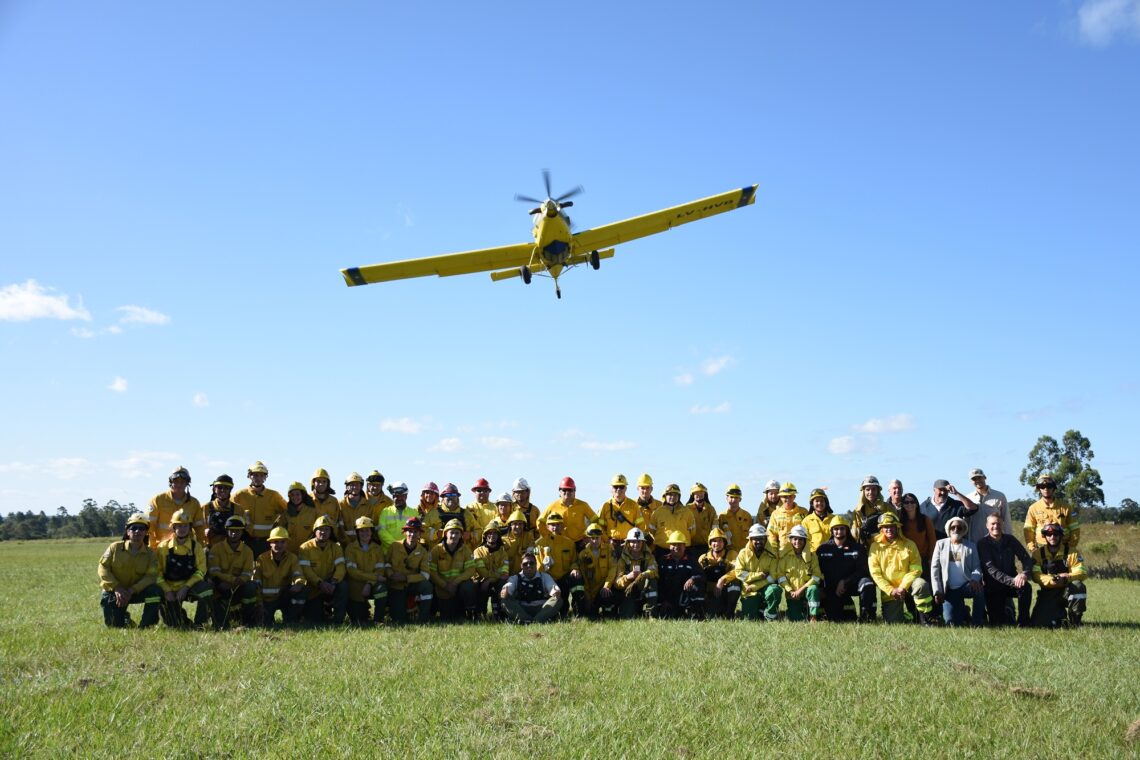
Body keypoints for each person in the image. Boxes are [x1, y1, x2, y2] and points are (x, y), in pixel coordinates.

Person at [868, 513, 934, 624]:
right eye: (886, 527)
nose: (889, 529)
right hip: (891, 591)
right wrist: (890, 590)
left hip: (909, 586)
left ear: (897, 527)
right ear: (881, 529)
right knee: (894, 623)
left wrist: (903, 587)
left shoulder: (909, 544)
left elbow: (916, 569)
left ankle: (926, 619)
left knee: (921, 585)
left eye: (892, 526)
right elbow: (875, 574)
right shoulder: (875, 547)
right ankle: (912, 616)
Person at [98, 512, 161, 628]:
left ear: (146, 533)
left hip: (136, 591)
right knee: (115, 627)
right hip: (115, 591)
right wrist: (117, 588)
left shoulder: (150, 554)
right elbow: (103, 568)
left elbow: (151, 576)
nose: (137, 531)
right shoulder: (115, 548)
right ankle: (125, 619)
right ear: (127, 531)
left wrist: (132, 590)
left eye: (141, 529)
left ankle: (147, 625)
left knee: (155, 591)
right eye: (134, 528)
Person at [156, 508, 213, 627]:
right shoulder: (163, 547)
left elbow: (201, 571)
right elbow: (157, 573)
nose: (182, 529)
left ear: (190, 528)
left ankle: (200, 623)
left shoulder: (196, 547)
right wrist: (167, 590)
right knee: (174, 624)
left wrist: (186, 587)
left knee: (207, 589)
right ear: (173, 527)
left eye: (185, 526)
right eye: (179, 526)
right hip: (170, 589)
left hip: (189, 586)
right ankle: (183, 620)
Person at [815, 515, 876, 622]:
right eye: (836, 529)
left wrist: (846, 581)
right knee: (836, 619)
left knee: (867, 583)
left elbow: (863, 571)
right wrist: (820, 588)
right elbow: (816, 570)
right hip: (830, 589)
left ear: (847, 530)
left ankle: (866, 617)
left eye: (842, 528)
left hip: (851, 585)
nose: (839, 531)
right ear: (832, 531)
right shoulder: (823, 549)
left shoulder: (858, 548)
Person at [976, 513, 1033, 627]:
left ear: (1003, 524)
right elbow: (991, 570)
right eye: (993, 524)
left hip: (1013, 582)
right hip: (993, 586)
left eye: (998, 523)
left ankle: (1023, 622)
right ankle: (1007, 612)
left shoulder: (1010, 539)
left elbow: (1026, 559)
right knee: (997, 624)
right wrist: (1012, 580)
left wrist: (1024, 574)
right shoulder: (982, 543)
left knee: (1026, 587)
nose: (996, 526)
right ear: (987, 525)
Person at [931, 516, 985, 627]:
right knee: (951, 623)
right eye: (953, 527)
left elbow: (977, 567)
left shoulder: (971, 546)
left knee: (979, 590)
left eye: (959, 528)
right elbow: (935, 568)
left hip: (967, 586)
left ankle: (977, 623)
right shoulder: (940, 544)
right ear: (949, 530)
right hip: (949, 589)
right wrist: (937, 591)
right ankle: (964, 611)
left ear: (964, 530)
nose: (956, 530)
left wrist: (975, 579)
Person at [1031, 522, 1087, 628]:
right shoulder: (1037, 554)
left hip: (1067, 591)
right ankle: (1060, 617)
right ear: (1044, 536)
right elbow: (1035, 575)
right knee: (1039, 624)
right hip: (1048, 592)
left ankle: (1075, 621)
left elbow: (1082, 572)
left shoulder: (1072, 552)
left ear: (1061, 535)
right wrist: (1052, 580)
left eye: (1056, 534)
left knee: (1078, 586)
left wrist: (1067, 578)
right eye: (1049, 534)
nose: (1052, 537)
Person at [720, 524, 781, 621]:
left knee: (775, 590)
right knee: (750, 619)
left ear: (766, 539)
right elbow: (739, 573)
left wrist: (755, 586)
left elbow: (772, 577)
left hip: (764, 587)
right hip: (748, 590)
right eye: (755, 539)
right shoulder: (743, 553)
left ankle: (770, 615)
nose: (758, 541)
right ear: (750, 540)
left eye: (761, 538)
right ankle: (758, 609)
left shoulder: (772, 554)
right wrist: (759, 575)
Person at [206, 515, 257, 628]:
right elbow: (214, 572)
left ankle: (248, 620)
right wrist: (230, 581)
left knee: (251, 587)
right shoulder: (216, 549)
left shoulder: (248, 551)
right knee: (221, 626)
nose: (234, 534)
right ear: (226, 531)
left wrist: (233, 582)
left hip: (238, 586)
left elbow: (248, 573)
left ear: (242, 532)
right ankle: (212, 617)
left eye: (238, 531)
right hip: (220, 587)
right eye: (231, 531)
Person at [298, 514, 347, 626]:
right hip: (313, 588)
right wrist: (320, 583)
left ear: (331, 532)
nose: (323, 532)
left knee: (343, 586)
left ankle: (338, 621)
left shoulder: (336, 547)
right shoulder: (304, 548)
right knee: (315, 619)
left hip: (331, 585)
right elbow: (306, 570)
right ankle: (322, 611)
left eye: (326, 529)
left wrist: (334, 582)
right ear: (314, 531)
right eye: (320, 529)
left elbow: (341, 567)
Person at [233, 460, 287, 558]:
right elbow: (227, 509)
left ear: (265, 477)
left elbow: (288, 512)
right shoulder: (240, 495)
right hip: (245, 541)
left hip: (266, 542)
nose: (258, 478)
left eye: (262, 475)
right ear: (249, 476)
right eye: (255, 475)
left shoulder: (274, 496)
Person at [254, 526, 306, 627]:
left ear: (287, 543)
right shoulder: (262, 559)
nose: (279, 545)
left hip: (284, 597)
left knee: (303, 590)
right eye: (276, 542)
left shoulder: (292, 558)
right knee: (265, 624)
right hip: (267, 601)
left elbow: (298, 574)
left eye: (282, 542)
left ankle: (291, 619)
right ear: (270, 543)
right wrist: (259, 604)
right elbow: (256, 583)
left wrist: (299, 583)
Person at [428, 518, 479, 621]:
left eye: (457, 533)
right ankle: (431, 613)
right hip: (442, 588)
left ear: (461, 535)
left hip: (458, 587)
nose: (454, 536)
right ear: (446, 534)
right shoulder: (436, 550)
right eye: (451, 533)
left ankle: (470, 613)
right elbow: (432, 572)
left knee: (469, 586)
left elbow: (471, 570)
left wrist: (455, 583)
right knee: (446, 617)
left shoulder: (465, 550)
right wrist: (445, 585)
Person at [385, 517, 433, 625]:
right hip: (396, 585)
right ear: (405, 532)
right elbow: (386, 564)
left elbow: (425, 574)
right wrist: (391, 574)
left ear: (419, 534)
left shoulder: (423, 551)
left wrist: (407, 578)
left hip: (412, 585)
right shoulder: (394, 546)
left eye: (415, 532)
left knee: (427, 586)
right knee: (399, 620)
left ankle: (423, 620)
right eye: (410, 531)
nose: (412, 534)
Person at [147, 466, 205, 548]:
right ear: (170, 482)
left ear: (187, 483)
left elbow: (199, 529)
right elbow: (150, 526)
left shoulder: (194, 503)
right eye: (176, 481)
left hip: (186, 549)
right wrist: (152, 547)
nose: (179, 484)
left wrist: (199, 548)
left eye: (182, 481)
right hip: (161, 548)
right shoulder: (158, 500)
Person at [344, 516, 387, 626]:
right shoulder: (350, 548)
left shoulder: (378, 549)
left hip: (372, 585)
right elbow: (352, 571)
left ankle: (378, 620)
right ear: (357, 533)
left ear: (372, 532)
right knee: (359, 620)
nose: (364, 533)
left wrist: (369, 583)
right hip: (356, 587)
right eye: (361, 531)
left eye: (367, 530)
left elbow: (380, 570)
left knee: (381, 588)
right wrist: (374, 578)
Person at [501, 550, 562, 624]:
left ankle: (535, 621)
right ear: (521, 566)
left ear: (536, 565)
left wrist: (555, 592)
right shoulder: (515, 578)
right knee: (505, 600)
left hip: (542, 608)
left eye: (531, 563)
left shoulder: (544, 576)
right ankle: (527, 620)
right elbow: (509, 586)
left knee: (558, 599)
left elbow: (552, 586)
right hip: (522, 609)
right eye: (525, 564)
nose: (528, 565)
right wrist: (505, 592)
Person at [569, 523, 616, 619]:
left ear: (601, 537)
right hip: (590, 591)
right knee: (590, 613)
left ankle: (608, 615)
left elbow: (613, 568)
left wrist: (607, 586)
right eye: (592, 538)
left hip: (603, 588)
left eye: (597, 538)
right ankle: (580, 612)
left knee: (608, 594)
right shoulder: (583, 554)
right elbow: (585, 578)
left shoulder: (609, 549)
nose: (594, 541)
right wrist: (588, 598)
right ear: (588, 538)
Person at [1024, 474, 1081, 552]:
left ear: (1054, 488)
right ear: (1039, 489)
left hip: (1063, 548)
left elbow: (1075, 529)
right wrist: (1033, 549)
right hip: (1041, 549)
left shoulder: (1066, 507)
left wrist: (1070, 548)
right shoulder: (1033, 508)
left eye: (1049, 486)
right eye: (1042, 487)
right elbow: (1028, 531)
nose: (1046, 489)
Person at [611, 527, 659, 618]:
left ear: (643, 543)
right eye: (633, 542)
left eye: (638, 542)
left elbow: (654, 570)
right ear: (628, 543)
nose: (636, 544)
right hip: (629, 592)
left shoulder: (649, 556)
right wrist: (628, 577)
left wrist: (643, 574)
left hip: (644, 590)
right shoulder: (622, 559)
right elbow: (617, 583)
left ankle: (651, 613)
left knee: (652, 581)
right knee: (627, 616)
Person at [777, 525, 821, 621]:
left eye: (801, 539)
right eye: (795, 539)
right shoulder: (785, 557)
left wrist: (801, 590)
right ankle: (802, 611)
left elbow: (817, 576)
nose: (797, 542)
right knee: (796, 619)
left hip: (806, 591)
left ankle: (813, 617)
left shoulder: (812, 556)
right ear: (791, 540)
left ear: (805, 541)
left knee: (813, 589)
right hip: (792, 594)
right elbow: (780, 576)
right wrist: (790, 590)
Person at [656, 531, 705, 619]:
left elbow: (701, 575)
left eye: (680, 544)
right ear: (669, 546)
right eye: (674, 544)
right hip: (668, 597)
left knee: (697, 585)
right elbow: (659, 582)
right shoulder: (663, 561)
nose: (676, 547)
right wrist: (663, 601)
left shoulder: (691, 560)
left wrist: (693, 579)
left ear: (685, 546)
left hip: (685, 595)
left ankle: (695, 612)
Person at [534, 512, 577, 605]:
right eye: (552, 525)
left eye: (558, 524)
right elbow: (538, 564)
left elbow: (574, 561)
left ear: (562, 526)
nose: (555, 527)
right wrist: (548, 578)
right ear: (547, 526)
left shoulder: (570, 543)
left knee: (563, 605)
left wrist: (574, 569)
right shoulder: (539, 543)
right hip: (547, 578)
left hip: (564, 578)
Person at [540, 476, 597, 546]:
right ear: (560, 491)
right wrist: (548, 536)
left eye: (570, 490)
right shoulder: (552, 506)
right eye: (564, 490)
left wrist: (588, 536)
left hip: (580, 544)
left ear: (574, 491)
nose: (567, 492)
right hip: (560, 543)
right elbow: (540, 522)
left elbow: (595, 520)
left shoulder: (583, 505)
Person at [472, 518, 511, 619]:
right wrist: (488, 579)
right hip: (481, 581)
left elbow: (505, 572)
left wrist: (490, 579)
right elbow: (481, 570)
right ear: (484, 536)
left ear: (498, 536)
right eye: (489, 533)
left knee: (504, 584)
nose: (492, 536)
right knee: (475, 586)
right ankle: (479, 613)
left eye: (495, 533)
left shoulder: (503, 553)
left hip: (494, 581)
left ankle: (501, 612)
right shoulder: (478, 551)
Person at [649, 483, 696, 564]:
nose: (672, 497)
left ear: (679, 497)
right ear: (665, 496)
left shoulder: (687, 512)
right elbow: (651, 531)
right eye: (670, 495)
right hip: (662, 551)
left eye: (675, 495)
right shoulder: (657, 512)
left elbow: (693, 532)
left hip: (682, 551)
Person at [599, 474, 648, 553]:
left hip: (628, 546)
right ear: (611, 489)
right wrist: (607, 541)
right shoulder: (606, 506)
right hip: (610, 546)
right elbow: (600, 527)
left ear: (625, 488)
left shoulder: (633, 505)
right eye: (615, 487)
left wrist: (633, 541)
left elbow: (640, 526)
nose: (618, 489)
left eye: (621, 487)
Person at [700, 527, 740, 619]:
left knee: (736, 583)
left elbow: (737, 570)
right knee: (712, 615)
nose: (717, 544)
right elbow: (698, 575)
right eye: (714, 541)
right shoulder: (703, 558)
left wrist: (722, 579)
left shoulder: (732, 554)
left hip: (725, 589)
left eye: (720, 541)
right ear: (710, 543)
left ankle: (730, 613)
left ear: (724, 543)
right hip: (711, 591)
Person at [966, 468, 1012, 544]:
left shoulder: (999, 496)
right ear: (971, 481)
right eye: (974, 479)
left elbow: (1006, 519)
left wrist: (1008, 539)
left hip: (996, 540)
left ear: (985, 477)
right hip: (975, 541)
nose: (977, 480)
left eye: (979, 477)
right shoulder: (968, 498)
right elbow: (966, 522)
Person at [898, 492, 936, 580]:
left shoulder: (925, 519)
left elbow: (932, 540)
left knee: (926, 586)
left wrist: (931, 558)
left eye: (912, 502)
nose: (909, 504)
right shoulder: (900, 522)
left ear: (916, 504)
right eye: (906, 502)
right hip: (907, 559)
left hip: (924, 559)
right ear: (902, 505)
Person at [851, 475, 895, 548]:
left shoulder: (888, 508)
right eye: (868, 489)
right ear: (863, 491)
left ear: (878, 491)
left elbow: (897, 529)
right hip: (866, 550)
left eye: (873, 489)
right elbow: (854, 534)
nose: (870, 492)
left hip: (887, 548)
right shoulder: (857, 511)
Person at [766, 482, 807, 551]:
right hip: (782, 553)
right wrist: (774, 550)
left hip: (800, 552)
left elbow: (808, 532)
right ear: (780, 497)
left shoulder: (803, 512)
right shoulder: (775, 514)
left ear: (794, 496)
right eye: (785, 497)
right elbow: (771, 534)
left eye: (790, 496)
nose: (787, 499)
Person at [281, 482, 319, 554]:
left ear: (303, 495)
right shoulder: (285, 514)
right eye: (292, 495)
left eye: (298, 494)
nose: (295, 497)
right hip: (289, 553)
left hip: (308, 552)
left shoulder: (313, 512)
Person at [377, 481, 415, 553]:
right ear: (393, 497)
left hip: (408, 553)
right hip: (388, 553)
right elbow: (381, 532)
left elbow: (416, 533)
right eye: (396, 496)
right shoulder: (385, 512)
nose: (399, 498)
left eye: (402, 496)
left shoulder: (414, 513)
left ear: (406, 496)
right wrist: (396, 545)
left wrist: (405, 547)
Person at [337, 472, 373, 546]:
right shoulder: (340, 504)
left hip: (363, 545)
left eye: (357, 484)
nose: (355, 487)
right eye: (352, 485)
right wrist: (347, 543)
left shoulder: (368, 505)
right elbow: (339, 527)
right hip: (344, 544)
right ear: (347, 487)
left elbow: (370, 528)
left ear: (361, 487)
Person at [717, 484, 754, 555]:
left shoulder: (747, 516)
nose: (733, 500)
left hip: (745, 553)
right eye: (731, 497)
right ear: (726, 498)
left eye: (736, 497)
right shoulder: (722, 517)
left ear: (740, 499)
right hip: (728, 554)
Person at [203, 474, 237, 548]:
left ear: (230, 490)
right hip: (210, 548)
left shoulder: (238, 509)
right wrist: (205, 532)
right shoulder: (205, 508)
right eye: (219, 487)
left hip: (230, 549)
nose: (222, 490)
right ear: (214, 489)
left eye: (226, 488)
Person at [688, 482, 718, 561]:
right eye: (696, 494)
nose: (699, 496)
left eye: (701, 494)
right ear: (693, 495)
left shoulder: (710, 509)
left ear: (705, 495)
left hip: (706, 547)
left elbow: (715, 527)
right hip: (691, 547)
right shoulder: (686, 509)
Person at [503, 509, 537, 574]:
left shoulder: (528, 536)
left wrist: (529, 551)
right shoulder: (503, 540)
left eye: (520, 524)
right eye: (515, 524)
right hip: (507, 574)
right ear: (510, 525)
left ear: (524, 525)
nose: (518, 526)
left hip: (525, 574)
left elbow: (534, 549)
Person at [800, 488, 833, 553]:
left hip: (832, 556)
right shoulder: (806, 521)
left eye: (822, 501)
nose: (819, 503)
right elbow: (803, 542)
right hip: (814, 557)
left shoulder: (834, 519)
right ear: (812, 504)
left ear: (826, 502)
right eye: (817, 501)